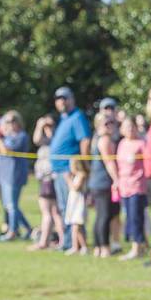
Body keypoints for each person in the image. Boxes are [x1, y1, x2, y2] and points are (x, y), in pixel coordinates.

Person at [49, 86, 92, 251]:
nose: (61, 101)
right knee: (63, 207)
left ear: (72, 99)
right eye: (58, 98)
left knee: (72, 209)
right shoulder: (64, 118)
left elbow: (84, 140)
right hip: (59, 169)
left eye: (64, 98)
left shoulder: (77, 116)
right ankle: (68, 241)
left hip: (70, 170)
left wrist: (84, 165)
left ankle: (73, 243)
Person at [0, 111, 32, 242]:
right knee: (9, 205)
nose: (6, 125)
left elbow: (6, 151)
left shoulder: (21, 136)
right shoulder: (7, 137)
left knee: (12, 205)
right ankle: (28, 228)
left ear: (17, 122)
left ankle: (12, 232)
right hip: (4, 174)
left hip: (14, 175)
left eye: (9, 122)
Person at [115, 112, 149, 261]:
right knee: (129, 217)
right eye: (126, 127)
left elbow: (147, 165)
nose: (129, 129)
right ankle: (139, 246)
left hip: (137, 187)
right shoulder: (122, 143)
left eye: (132, 126)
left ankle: (137, 248)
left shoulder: (141, 143)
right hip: (124, 187)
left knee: (136, 217)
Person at [89, 112, 120, 258]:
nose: (111, 126)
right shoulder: (105, 139)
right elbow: (109, 162)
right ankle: (104, 247)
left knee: (101, 215)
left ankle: (97, 247)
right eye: (107, 123)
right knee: (105, 215)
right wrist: (116, 179)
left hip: (96, 182)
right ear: (99, 125)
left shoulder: (97, 138)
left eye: (112, 122)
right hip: (103, 182)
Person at [29, 115, 62, 251]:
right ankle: (61, 241)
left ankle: (44, 242)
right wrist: (40, 125)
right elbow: (37, 139)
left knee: (50, 212)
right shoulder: (47, 141)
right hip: (46, 179)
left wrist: (44, 126)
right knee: (54, 212)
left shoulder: (56, 140)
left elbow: (38, 140)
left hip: (50, 179)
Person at [64, 157, 89, 256]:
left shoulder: (81, 175)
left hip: (79, 203)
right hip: (73, 203)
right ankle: (82, 247)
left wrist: (68, 180)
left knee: (76, 226)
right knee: (75, 226)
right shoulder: (75, 176)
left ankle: (77, 247)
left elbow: (76, 188)